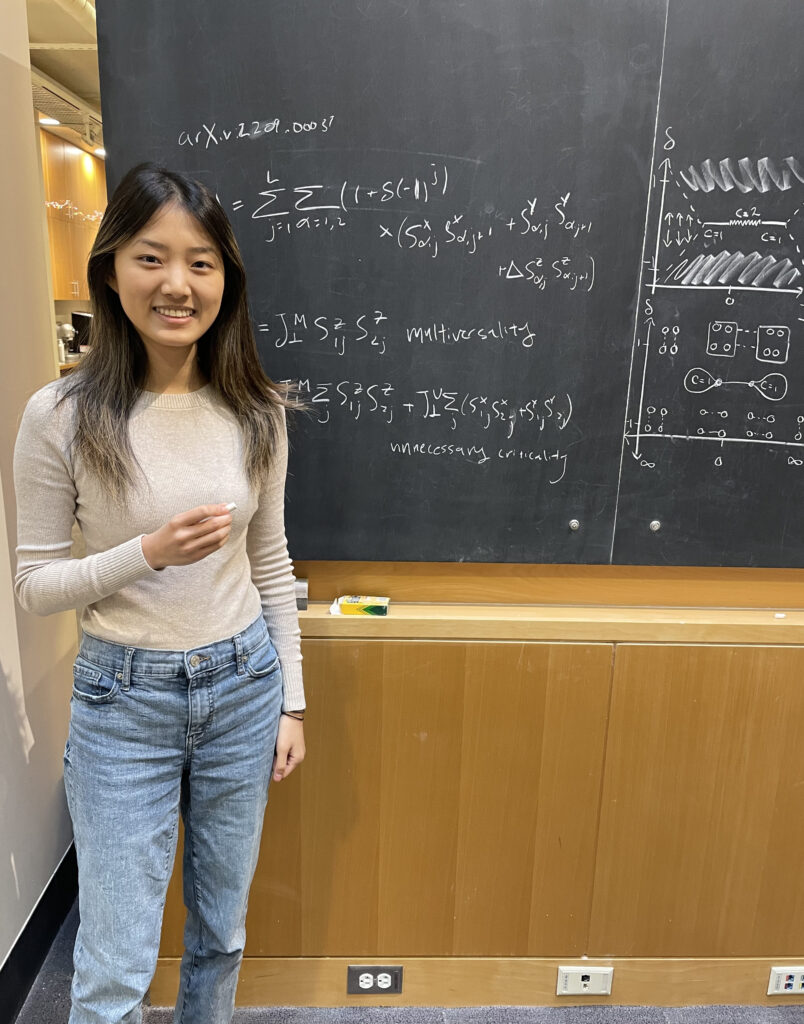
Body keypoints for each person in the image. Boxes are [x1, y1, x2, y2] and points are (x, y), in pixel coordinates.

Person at [13, 162, 306, 1024]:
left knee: (221, 933)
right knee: (114, 962)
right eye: (152, 257)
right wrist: (143, 552)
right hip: (121, 700)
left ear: (226, 278)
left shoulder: (256, 409)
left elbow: (273, 562)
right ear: (111, 269)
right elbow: (35, 585)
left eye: (202, 262)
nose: (178, 284)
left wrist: (291, 700)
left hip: (244, 686)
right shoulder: (60, 415)